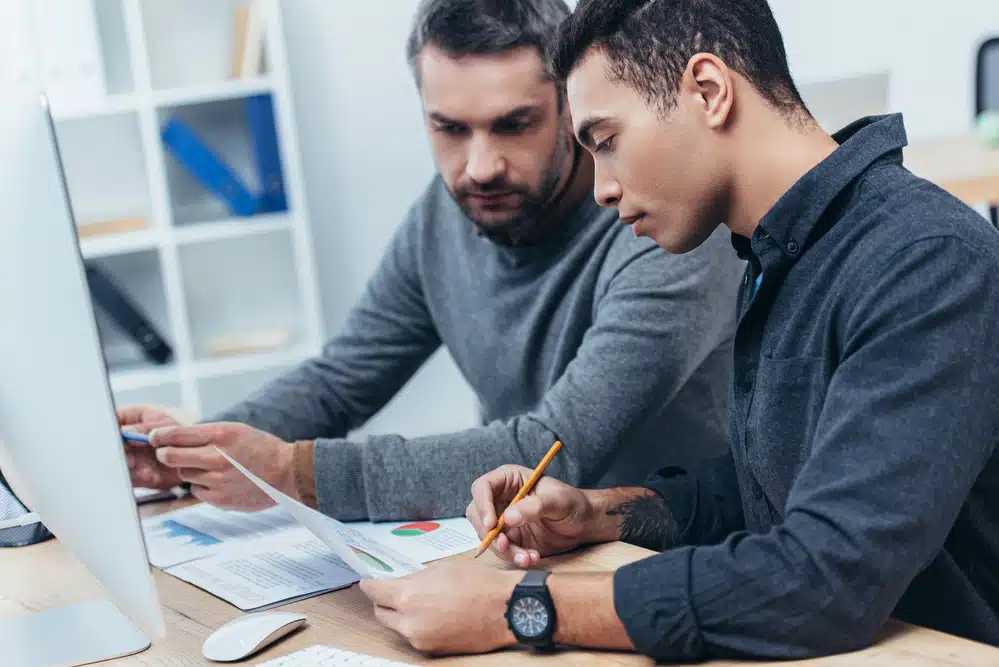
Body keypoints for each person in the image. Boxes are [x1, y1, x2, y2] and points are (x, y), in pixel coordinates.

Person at [356, 0, 999, 660]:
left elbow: (825, 577)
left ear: (707, 90)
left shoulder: (927, 261)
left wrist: (519, 604)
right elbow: (765, 489)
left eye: (606, 141)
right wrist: (595, 511)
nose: (602, 188)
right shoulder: (780, 255)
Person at [120, 0, 743, 522]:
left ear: (571, 103)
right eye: (448, 128)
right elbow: (342, 379)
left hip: (669, 549)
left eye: (514, 125)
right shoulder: (449, 214)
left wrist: (292, 473)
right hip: (520, 542)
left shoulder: (664, 222)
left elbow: (551, 450)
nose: (479, 166)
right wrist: (191, 449)